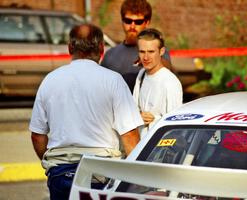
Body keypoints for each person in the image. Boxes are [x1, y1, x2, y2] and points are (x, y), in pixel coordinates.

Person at [29, 24, 143, 200]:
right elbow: (130, 137)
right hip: (102, 173)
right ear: (101, 48)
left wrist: (52, 163)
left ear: (69, 48)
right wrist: (136, 179)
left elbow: (37, 135)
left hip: (61, 173)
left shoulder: (50, 80)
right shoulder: (113, 81)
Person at [101, 0, 172, 93]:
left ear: (147, 23)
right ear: (122, 21)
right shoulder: (110, 54)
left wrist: (152, 62)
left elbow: (167, 70)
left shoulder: (156, 50)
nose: (132, 26)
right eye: (128, 21)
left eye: (138, 22)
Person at [133, 28, 183, 138]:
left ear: (161, 51)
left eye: (151, 52)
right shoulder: (141, 74)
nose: (146, 57)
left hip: (159, 149)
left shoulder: (170, 82)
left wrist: (154, 119)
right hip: (141, 146)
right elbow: (134, 109)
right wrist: (138, 116)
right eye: (142, 52)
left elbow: (175, 125)